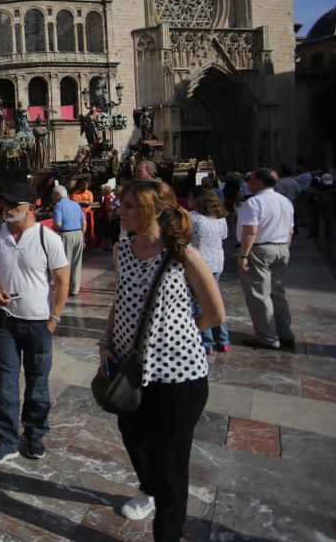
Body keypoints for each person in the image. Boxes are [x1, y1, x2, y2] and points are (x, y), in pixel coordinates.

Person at [99, 181, 225, 542]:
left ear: (153, 210)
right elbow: (120, 298)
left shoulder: (185, 255)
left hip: (178, 378)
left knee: (170, 465)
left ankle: (168, 534)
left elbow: (215, 314)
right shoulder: (123, 248)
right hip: (130, 370)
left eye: (129, 206)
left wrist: (177, 335)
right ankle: (148, 489)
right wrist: (107, 341)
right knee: (132, 434)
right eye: (121, 205)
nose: (121, 212)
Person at [0, 183, 69, 463]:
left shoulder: (47, 238)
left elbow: (63, 280)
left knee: (37, 382)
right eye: (5, 203)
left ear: (31, 207)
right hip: (5, 322)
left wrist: (53, 319)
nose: (7, 209)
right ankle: (6, 440)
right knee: (5, 382)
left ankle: (35, 432)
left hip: (39, 323)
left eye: (14, 205)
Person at [236, 168, 295, 350]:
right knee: (277, 292)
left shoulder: (254, 202)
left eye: (251, 180)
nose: (248, 183)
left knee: (259, 294)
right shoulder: (285, 201)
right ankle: (285, 332)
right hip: (281, 247)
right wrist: (285, 248)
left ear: (259, 182)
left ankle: (267, 336)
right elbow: (290, 230)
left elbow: (250, 231)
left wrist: (244, 254)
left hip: (260, 249)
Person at [188, 186, 230, 355]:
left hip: (199, 263)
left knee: (199, 303)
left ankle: (206, 342)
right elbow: (224, 236)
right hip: (217, 261)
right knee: (214, 299)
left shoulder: (193, 218)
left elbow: (186, 238)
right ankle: (223, 339)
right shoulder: (219, 217)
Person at [51, 185, 86, 296]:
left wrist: (54, 228)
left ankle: (64, 289)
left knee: (65, 264)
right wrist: (82, 235)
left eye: (52, 194)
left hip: (66, 235)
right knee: (77, 263)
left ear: (57, 194)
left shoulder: (59, 205)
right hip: (79, 234)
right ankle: (75, 289)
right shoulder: (75, 204)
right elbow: (84, 223)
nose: (52, 197)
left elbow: (58, 224)